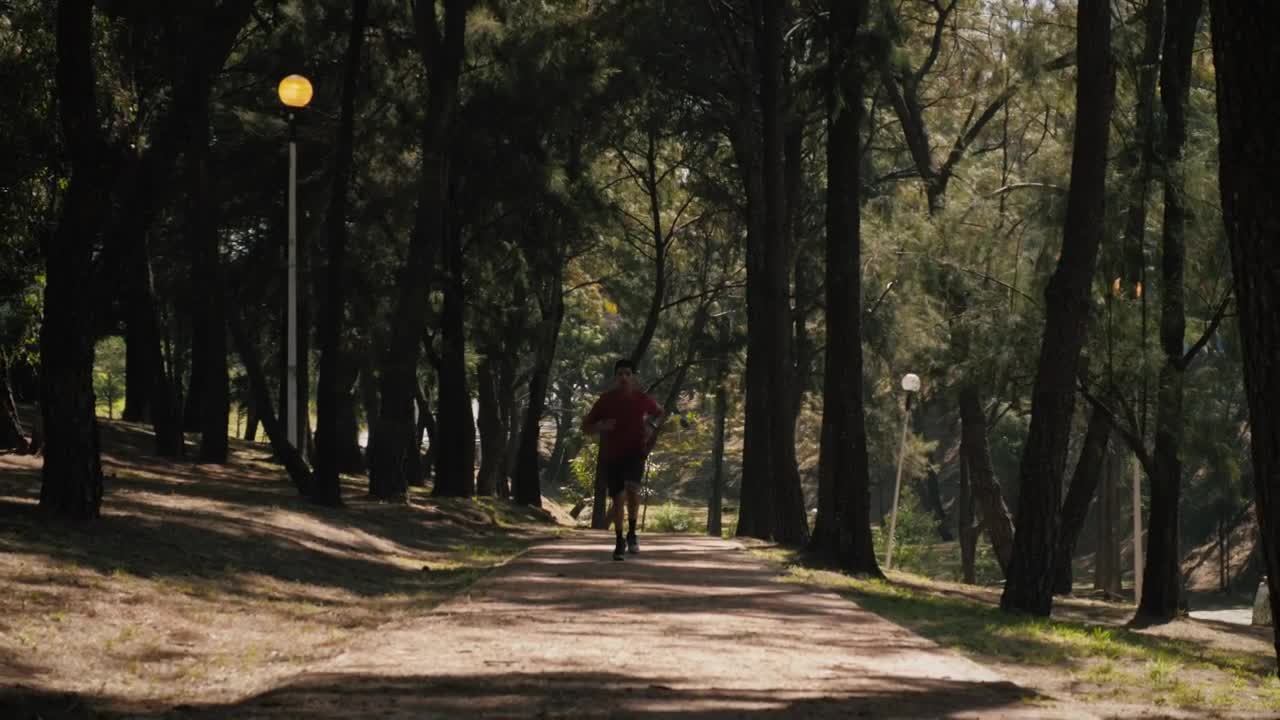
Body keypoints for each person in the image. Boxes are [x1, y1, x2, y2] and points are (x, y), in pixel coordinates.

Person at [582, 359, 663, 561]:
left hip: (636, 452)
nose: (624, 377)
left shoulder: (643, 399)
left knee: (633, 493)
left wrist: (650, 427)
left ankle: (632, 533)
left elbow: (660, 414)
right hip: (613, 455)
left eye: (628, 373)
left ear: (633, 376)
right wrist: (601, 427)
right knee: (618, 498)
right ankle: (619, 540)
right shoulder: (605, 400)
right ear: (615, 377)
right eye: (620, 374)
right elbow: (586, 427)